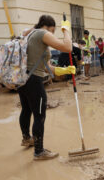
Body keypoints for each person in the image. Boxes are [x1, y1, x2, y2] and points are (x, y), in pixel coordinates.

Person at [19, 15, 75, 160]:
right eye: (54, 30)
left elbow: (45, 67)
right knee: (39, 115)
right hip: (33, 81)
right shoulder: (43, 33)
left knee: (26, 109)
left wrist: (64, 70)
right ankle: (39, 152)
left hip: (22, 79)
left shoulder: (30, 34)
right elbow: (68, 47)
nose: (53, 34)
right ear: (50, 27)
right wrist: (66, 31)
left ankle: (27, 138)